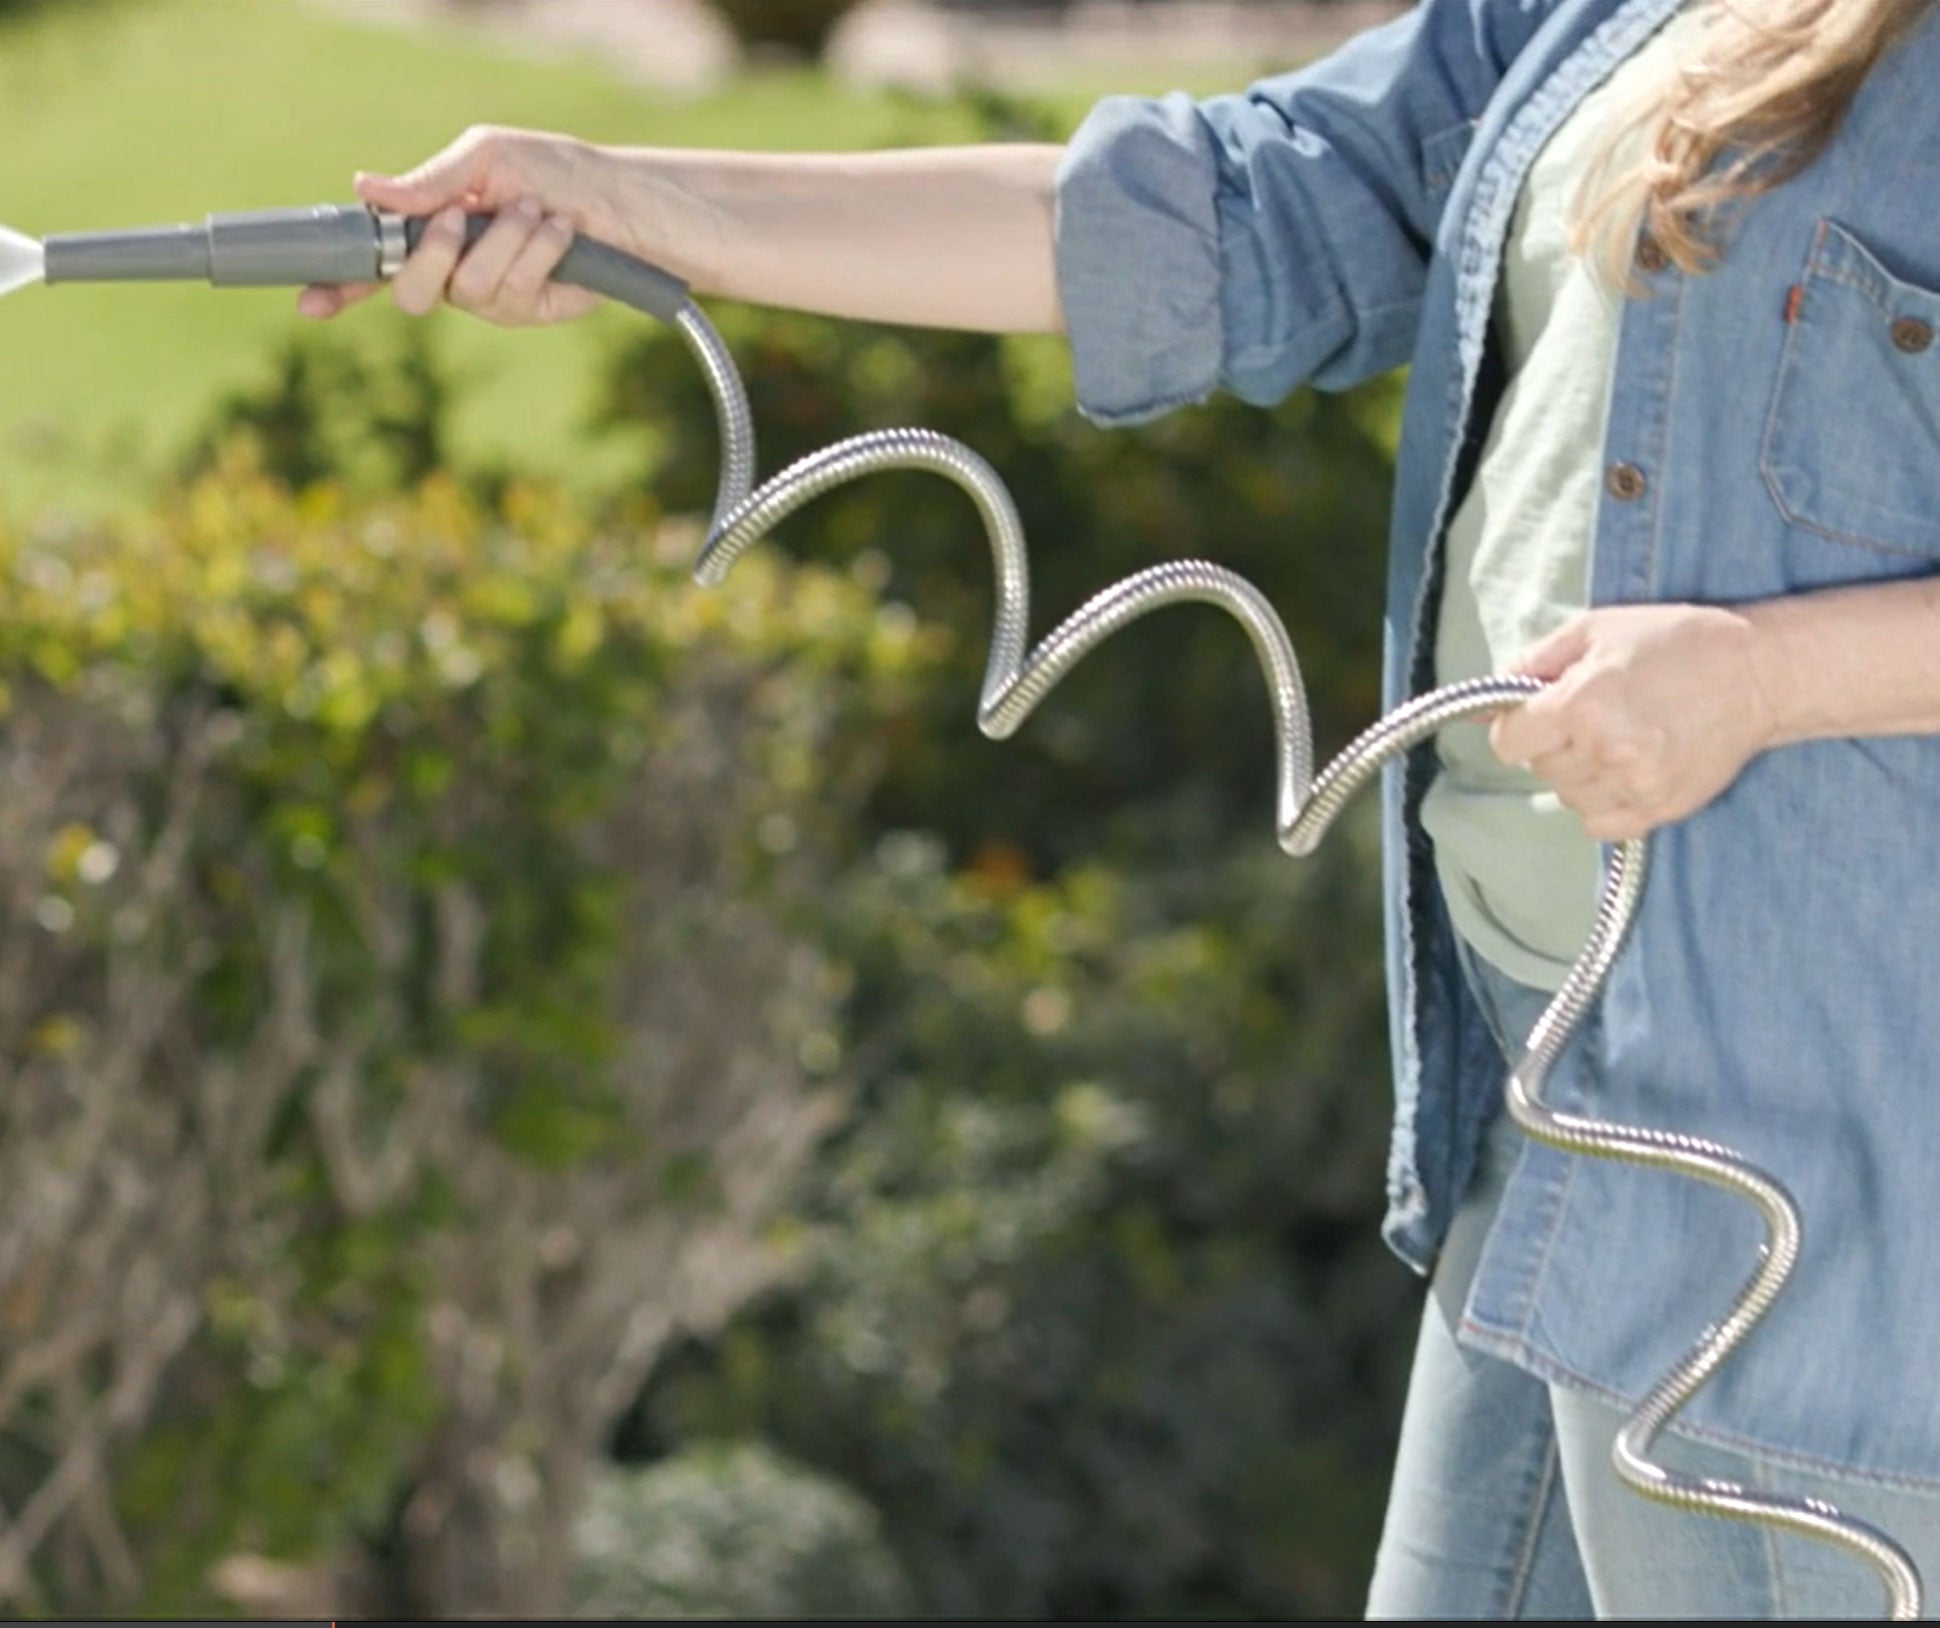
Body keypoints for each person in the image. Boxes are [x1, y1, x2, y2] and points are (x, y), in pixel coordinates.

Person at [306, 0, 1940, 1615]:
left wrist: (1760, 677)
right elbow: (1237, 200)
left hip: (1795, 1145)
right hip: (1542, 1049)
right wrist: (628, 199)